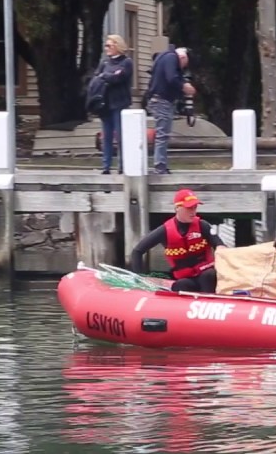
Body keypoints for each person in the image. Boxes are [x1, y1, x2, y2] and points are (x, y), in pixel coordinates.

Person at [129, 188, 223, 293]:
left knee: (208, 275)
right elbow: (137, 251)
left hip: (206, 274)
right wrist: (140, 279)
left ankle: (209, 302)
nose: (193, 212)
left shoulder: (203, 225)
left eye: (195, 207)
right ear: (177, 208)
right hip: (186, 278)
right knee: (182, 285)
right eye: (189, 208)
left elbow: (221, 246)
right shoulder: (164, 230)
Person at [144, 45, 195, 175]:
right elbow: (172, 78)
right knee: (162, 134)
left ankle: (161, 165)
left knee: (163, 133)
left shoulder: (164, 57)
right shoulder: (171, 58)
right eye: (184, 65)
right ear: (183, 57)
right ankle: (160, 166)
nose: (182, 68)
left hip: (158, 99)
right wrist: (184, 86)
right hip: (162, 100)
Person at [93, 34, 134, 175]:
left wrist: (107, 76)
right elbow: (97, 77)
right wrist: (109, 76)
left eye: (109, 45)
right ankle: (106, 166)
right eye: (106, 46)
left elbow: (120, 78)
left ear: (117, 46)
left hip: (120, 103)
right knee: (107, 135)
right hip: (105, 103)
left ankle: (122, 165)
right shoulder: (104, 62)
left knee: (121, 136)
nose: (107, 49)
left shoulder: (126, 62)